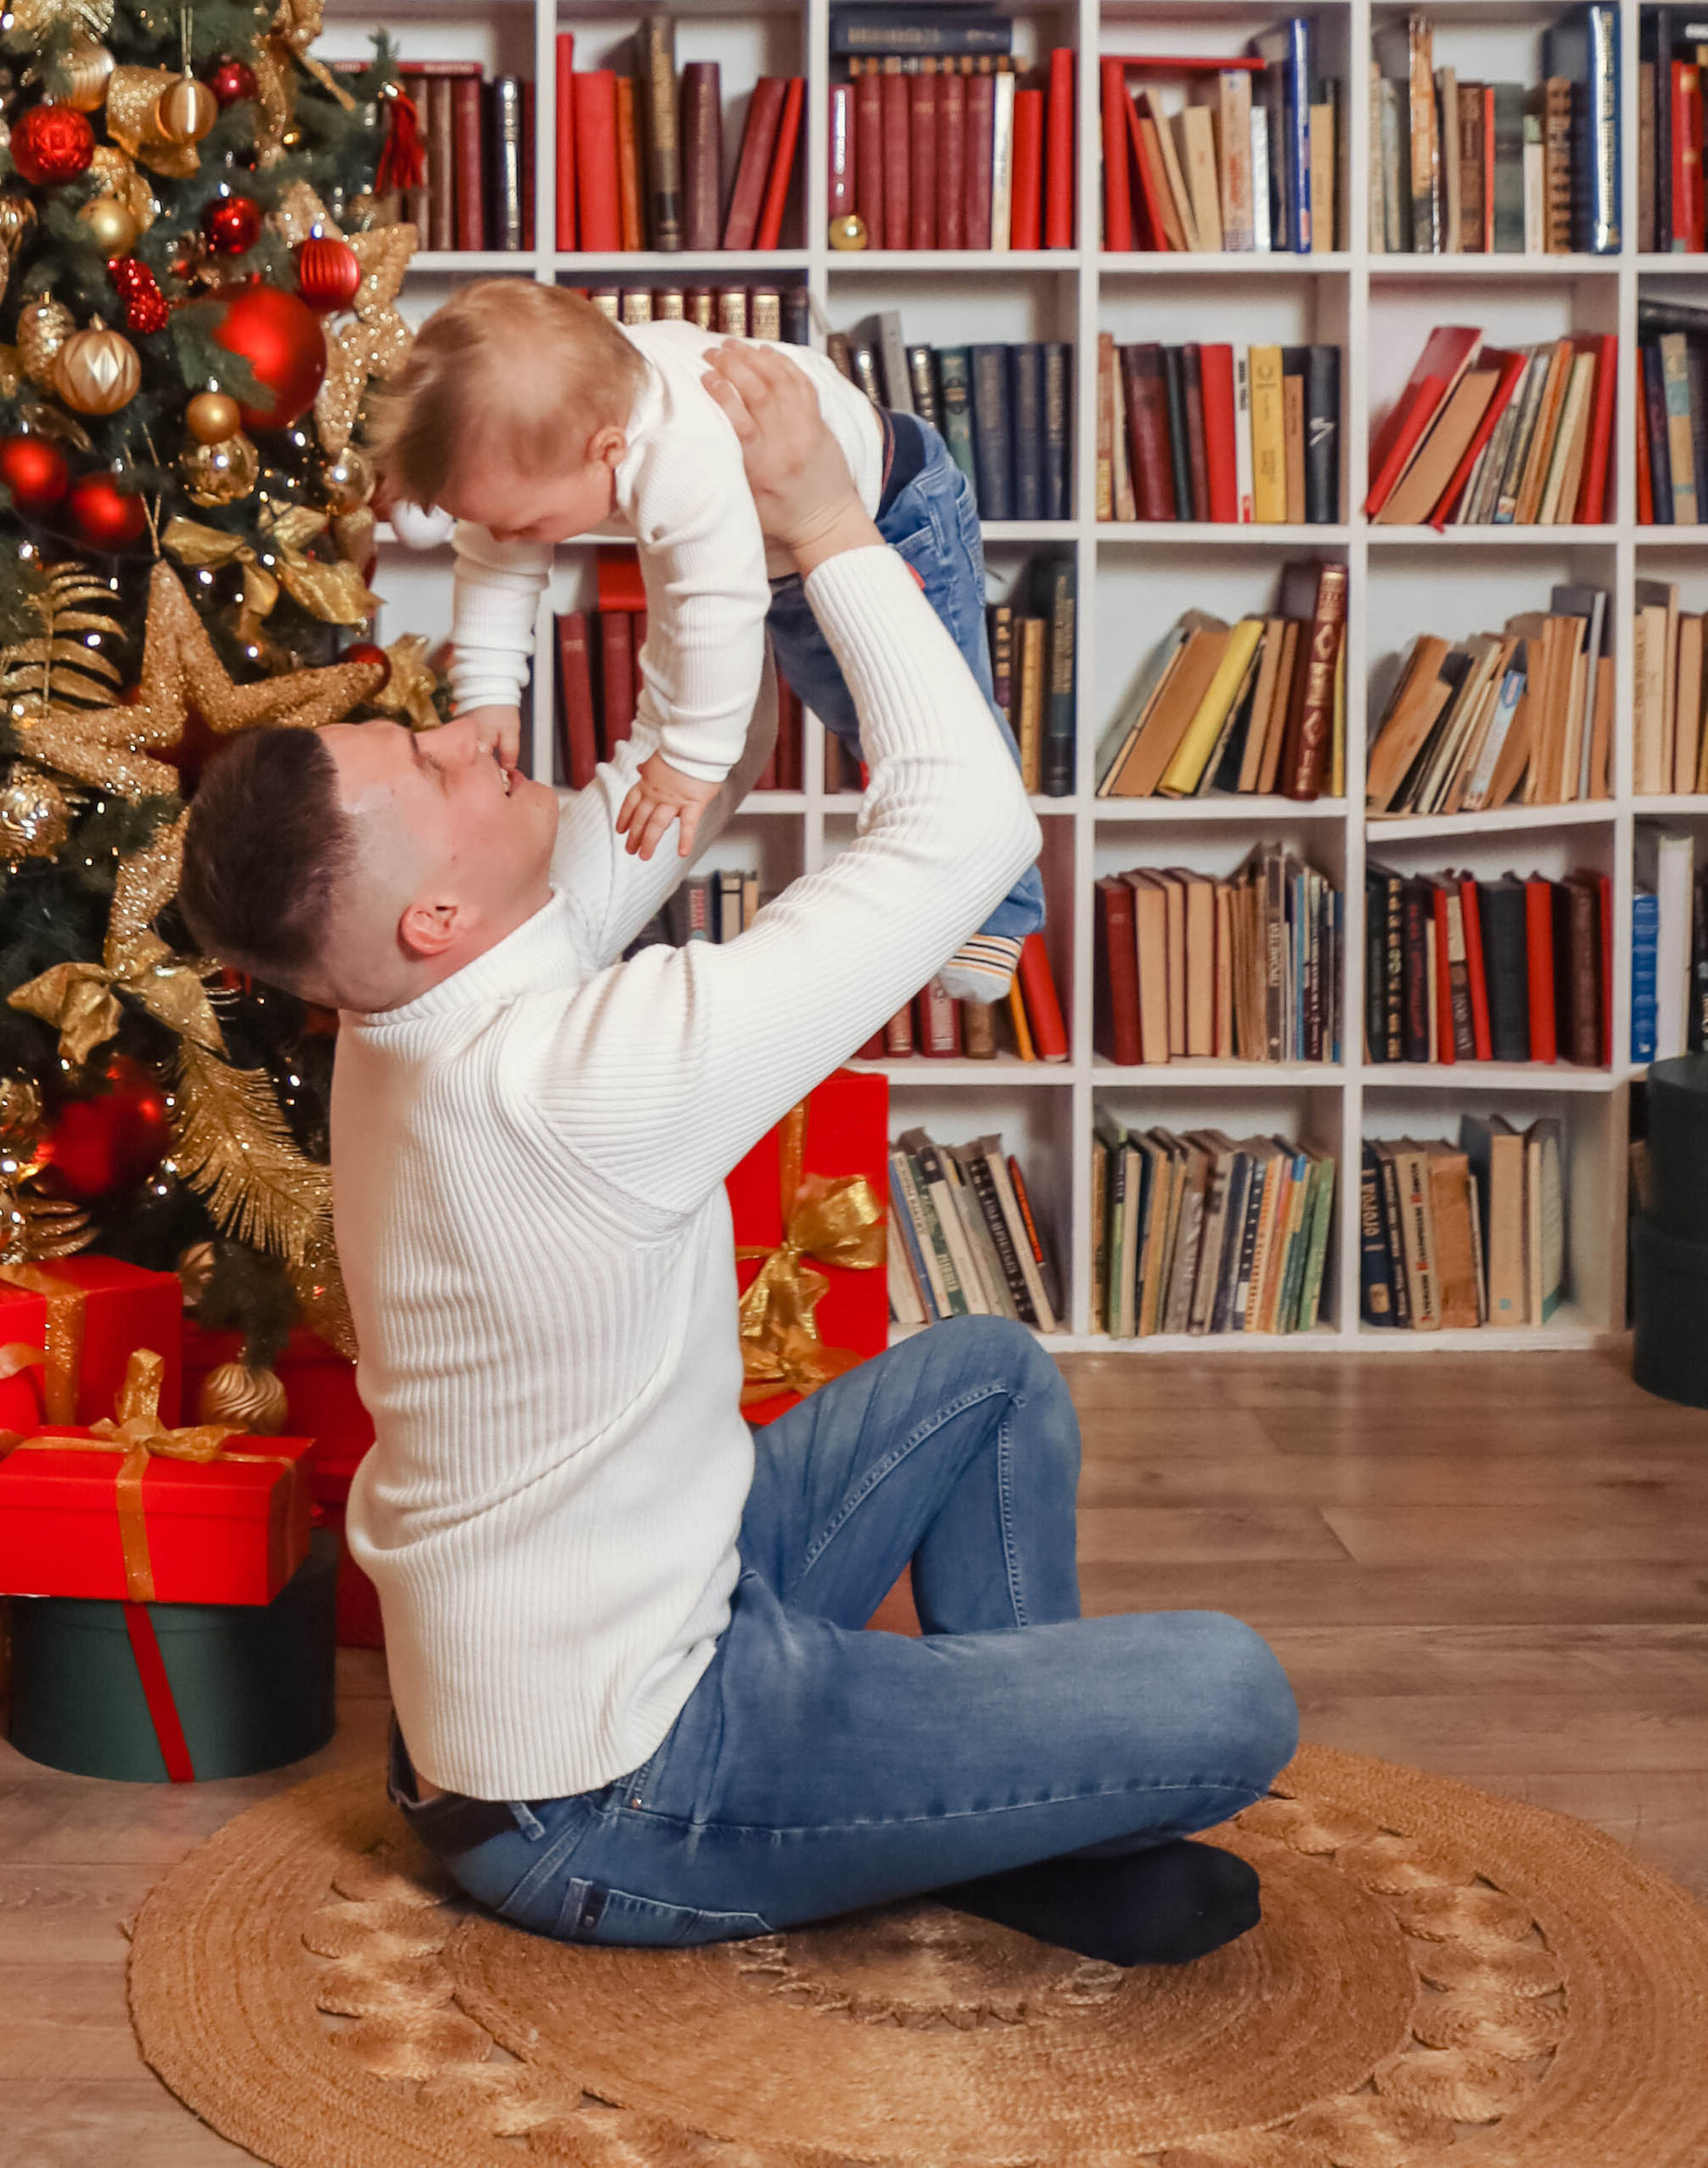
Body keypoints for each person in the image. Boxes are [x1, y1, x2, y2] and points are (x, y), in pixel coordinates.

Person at [180, 340, 1296, 1963]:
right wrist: (840, 527)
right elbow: (974, 832)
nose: (476, 738)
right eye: (436, 767)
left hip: (635, 1618)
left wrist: (693, 517)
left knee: (987, 1373)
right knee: (1231, 1694)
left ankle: (1007, 1808)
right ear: (432, 914)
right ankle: (978, 1801)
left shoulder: (405, 1003)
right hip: (618, 1788)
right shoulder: (568, 1085)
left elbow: (685, 787)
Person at [362, 274, 1043, 1008]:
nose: (509, 538)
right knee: (849, 721)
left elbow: (716, 607)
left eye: (525, 522)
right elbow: (496, 562)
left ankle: (1002, 908)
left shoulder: (679, 456)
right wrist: (488, 693)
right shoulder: (561, 433)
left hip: (896, 509)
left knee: (932, 710)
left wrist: (688, 764)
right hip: (778, 553)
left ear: (609, 450)